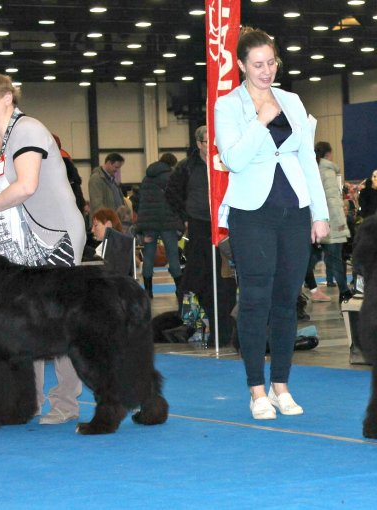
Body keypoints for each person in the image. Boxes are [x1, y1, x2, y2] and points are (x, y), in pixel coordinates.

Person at [214, 26, 329, 420]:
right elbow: (233, 160)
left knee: (286, 301)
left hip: (294, 211)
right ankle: (256, 390)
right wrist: (259, 121)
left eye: (271, 62)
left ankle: (281, 385)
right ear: (242, 66)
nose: (266, 70)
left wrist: (320, 213)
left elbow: (307, 159)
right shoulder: (228, 107)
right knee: (255, 300)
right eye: (258, 64)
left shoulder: (292, 100)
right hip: (252, 214)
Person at [0, 71, 86, 425]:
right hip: (13, 246)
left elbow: (26, 185)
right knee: (20, 321)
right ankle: (26, 402)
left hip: (54, 238)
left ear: (8, 98)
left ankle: (65, 403)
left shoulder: (28, 129)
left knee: (57, 317)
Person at [165, 125, 237, 347]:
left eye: (212, 141)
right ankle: (192, 325)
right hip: (197, 227)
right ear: (198, 144)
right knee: (195, 280)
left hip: (223, 227)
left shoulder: (225, 163)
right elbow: (171, 195)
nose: (209, 146)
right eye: (206, 142)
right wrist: (184, 220)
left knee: (224, 281)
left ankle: (224, 331)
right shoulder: (186, 167)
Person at [303, 141, 351, 304]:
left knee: (308, 261)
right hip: (330, 223)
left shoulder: (312, 168)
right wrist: (340, 224)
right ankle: (345, 292)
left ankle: (299, 295)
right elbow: (332, 199)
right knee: (336, 260)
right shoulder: (327, 171)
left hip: (314, 223)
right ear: (329, 154)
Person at [136, 152, 182, 300]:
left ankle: (148, 291)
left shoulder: (146, 178)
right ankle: (179, 289)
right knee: (172, 255)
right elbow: (176, 199)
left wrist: (141, 226)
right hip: (167, 222)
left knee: (148, 256)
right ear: (171, 164)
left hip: (149, 223)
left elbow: (140, 203)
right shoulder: (171, 177)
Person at [89, 153, 127, 218]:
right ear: (109, 163)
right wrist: (109, 219)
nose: (117, 170)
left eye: (119, 168)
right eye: (116, 167)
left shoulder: (113, 180)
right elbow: (97, 204)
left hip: (115, 221)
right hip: (105, 222)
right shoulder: (96, 179)